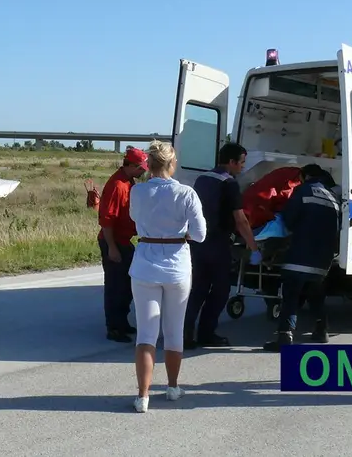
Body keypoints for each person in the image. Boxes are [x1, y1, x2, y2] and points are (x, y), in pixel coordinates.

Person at [126, 140, 206, 413]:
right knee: (174, 332)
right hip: (177, 266)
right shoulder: (186, 193)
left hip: (145, 263)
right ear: (172, 164)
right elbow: (199, 234)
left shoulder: (137, 191)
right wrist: (181, 233)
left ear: (148, 164)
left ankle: (143, 395)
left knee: (146, 334)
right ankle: (172, 387)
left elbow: (134, 218)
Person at [184, 142, 257, 349]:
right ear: (231, 162)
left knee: (198, 288)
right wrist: (253, 246)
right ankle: (206, 333)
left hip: (198, 242)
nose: (243, 167)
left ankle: (185, 334)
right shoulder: (230, 183)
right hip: (218, 243)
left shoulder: (202, 179)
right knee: (221, 290)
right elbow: (240, 219)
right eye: (241, 162)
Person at [263, 163, 341, 351]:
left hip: (299, 256)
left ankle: (285, 336)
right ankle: (322, 330)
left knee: (291, 295)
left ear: (305, 176)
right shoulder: (333, 197)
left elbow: (289, 220)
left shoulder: (302, 191)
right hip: (323, 260)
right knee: (315, 294)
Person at [97, 146, 149, 343]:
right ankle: (114, 328)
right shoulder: (118, 185)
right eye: (141, 167)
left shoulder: (128, 181)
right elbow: (107, 220)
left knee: (127, 284)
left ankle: (122, 321)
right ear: (132, 165)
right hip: (114, 242)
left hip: (124, 241)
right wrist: (111, 247)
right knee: (115, 287)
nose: (144, 170)